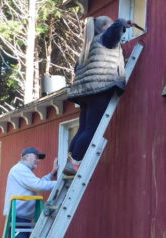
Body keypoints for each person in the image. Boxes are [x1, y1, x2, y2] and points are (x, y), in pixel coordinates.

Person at [63, 16, 137, 176]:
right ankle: (75, 162)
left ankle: (70, 160)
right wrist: (124, 22)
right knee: (91, 129)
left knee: (82, 129)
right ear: (105, 28)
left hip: (84, 93)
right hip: (99, 89)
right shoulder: (104, 39)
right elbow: (116, 28)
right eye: (109, 26)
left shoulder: (88, 47)